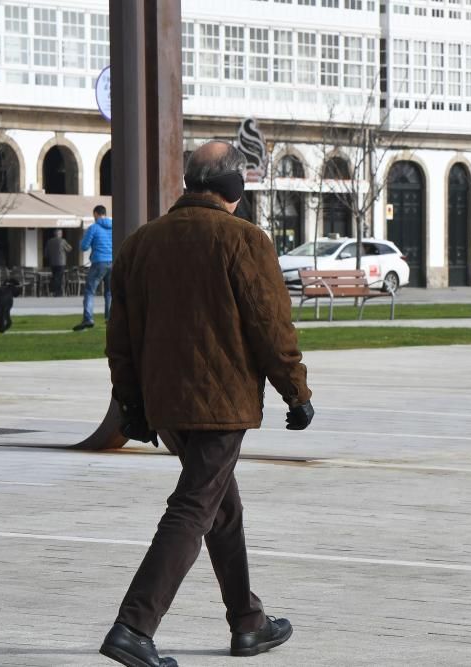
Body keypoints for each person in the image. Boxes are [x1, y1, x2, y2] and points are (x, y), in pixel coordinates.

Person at [100, 140, 315, 667]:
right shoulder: (243, 240)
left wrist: (131, 405)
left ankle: (248, 623)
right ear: (233, 187)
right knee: (196, 505)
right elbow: (270, 326)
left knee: (222, 507)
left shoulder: (140, 243)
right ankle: (134, 625)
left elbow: (120, 339)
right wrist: (296, 391)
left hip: (166, 406)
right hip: (221, 401)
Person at [73, 205, 113, 330]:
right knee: (109, 292)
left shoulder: (93, 228)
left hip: (99, 262)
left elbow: (84, 247)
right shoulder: (114, 226)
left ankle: (88, 318)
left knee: (90, 291)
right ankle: (110, 319)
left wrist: (82, 241)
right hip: (113, 261)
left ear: (95, 214)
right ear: (105, 214)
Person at [44, 229, 72, 296]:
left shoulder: (49, 241)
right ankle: (58, 292)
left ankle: (52, 291)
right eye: (61, 233)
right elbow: (69, 249)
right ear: (59, 234)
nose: (61, 234)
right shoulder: (62, 241)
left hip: (52, 262)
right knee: (59, 277)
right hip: (61, 262)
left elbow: (46, 253)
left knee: (54, 276)